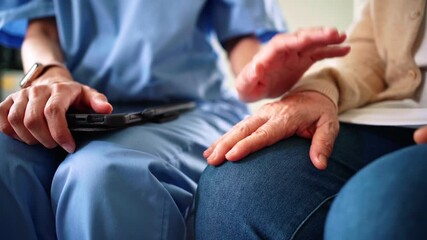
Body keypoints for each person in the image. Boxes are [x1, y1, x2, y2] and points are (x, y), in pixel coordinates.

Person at [0, 0, 351, 239]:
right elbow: (40, 30)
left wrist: (262, 72)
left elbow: (244, 45)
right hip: (69, 100)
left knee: (106, 176)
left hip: (186, 107)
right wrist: (50, 76)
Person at [195, 0, 427, 239]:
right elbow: (374, 47)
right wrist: (318, 88)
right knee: (230, 189)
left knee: (371, 215)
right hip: (389, 117)